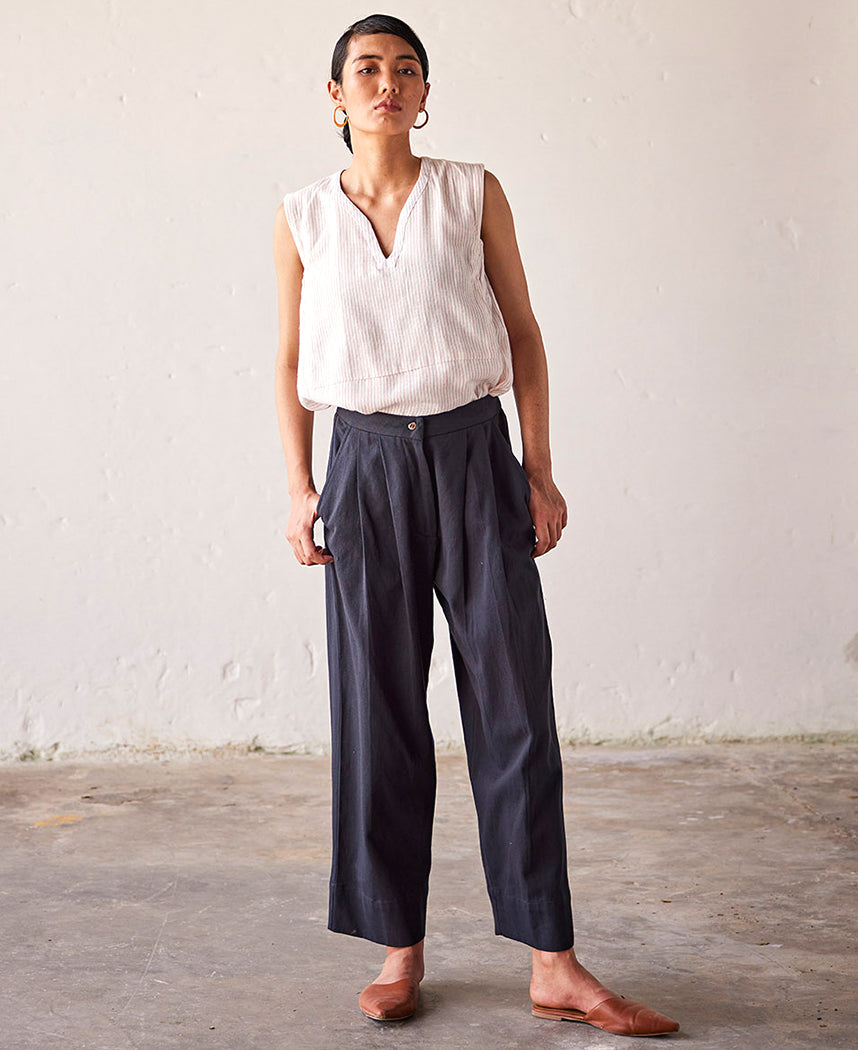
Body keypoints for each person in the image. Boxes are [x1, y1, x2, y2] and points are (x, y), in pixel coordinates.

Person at [273, 13, 679, 1038]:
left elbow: (525, 334)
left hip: (471, 453)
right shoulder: (302, 217)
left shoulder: (471, 192)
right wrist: (299, 488)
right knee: (377, 712)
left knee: (513, 705)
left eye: (407, 69)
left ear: (424, 94)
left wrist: (538, 468)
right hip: (363, 465)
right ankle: (398, 949)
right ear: (336, 96)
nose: (389, 83)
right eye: (369, 69)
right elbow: (287, 362)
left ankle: (553, 961)